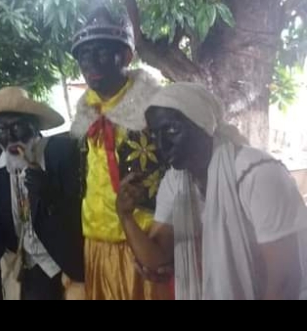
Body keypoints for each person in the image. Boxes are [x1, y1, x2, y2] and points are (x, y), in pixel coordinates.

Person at [117, 82, 307, 300]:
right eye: (154, 135)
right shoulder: (175, 182)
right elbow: (157, 259)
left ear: (203, 125)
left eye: (172, 130)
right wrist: (125, 216)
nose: (162, 145)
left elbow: (285, 280)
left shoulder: (256, 174)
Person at [70, 2, 170, 300]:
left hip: (145, 245)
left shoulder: (157, 111)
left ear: (125, 56)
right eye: (83, 55)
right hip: (96, 246)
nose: (90, 63)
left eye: (101, 52)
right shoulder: (84, 118)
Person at [0, 87, 85, 300]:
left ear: (35, 127)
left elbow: (81, 213)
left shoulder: (62, 153)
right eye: (0, 131)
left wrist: (50, 195)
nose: (10, 137)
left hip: (65, 263)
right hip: (23, 267)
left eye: (17, 127)